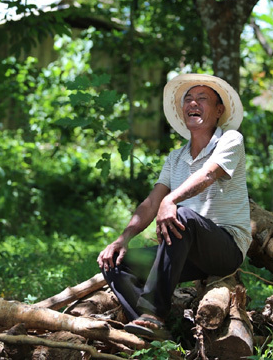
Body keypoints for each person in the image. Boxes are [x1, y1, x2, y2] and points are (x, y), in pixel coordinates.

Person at [97, 73, 251, 339]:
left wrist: (171, 200)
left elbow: (208, 174)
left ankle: (152, 312)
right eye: (188, 100)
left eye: (202, 99)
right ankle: (159, 332)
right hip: (183, 252)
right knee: (115, 263)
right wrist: (122, 239)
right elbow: (151, 203)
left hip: (225, 249)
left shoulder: (230, 140)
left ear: (219, 110)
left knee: (183, 215)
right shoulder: (175, 157)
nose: (193, 104)